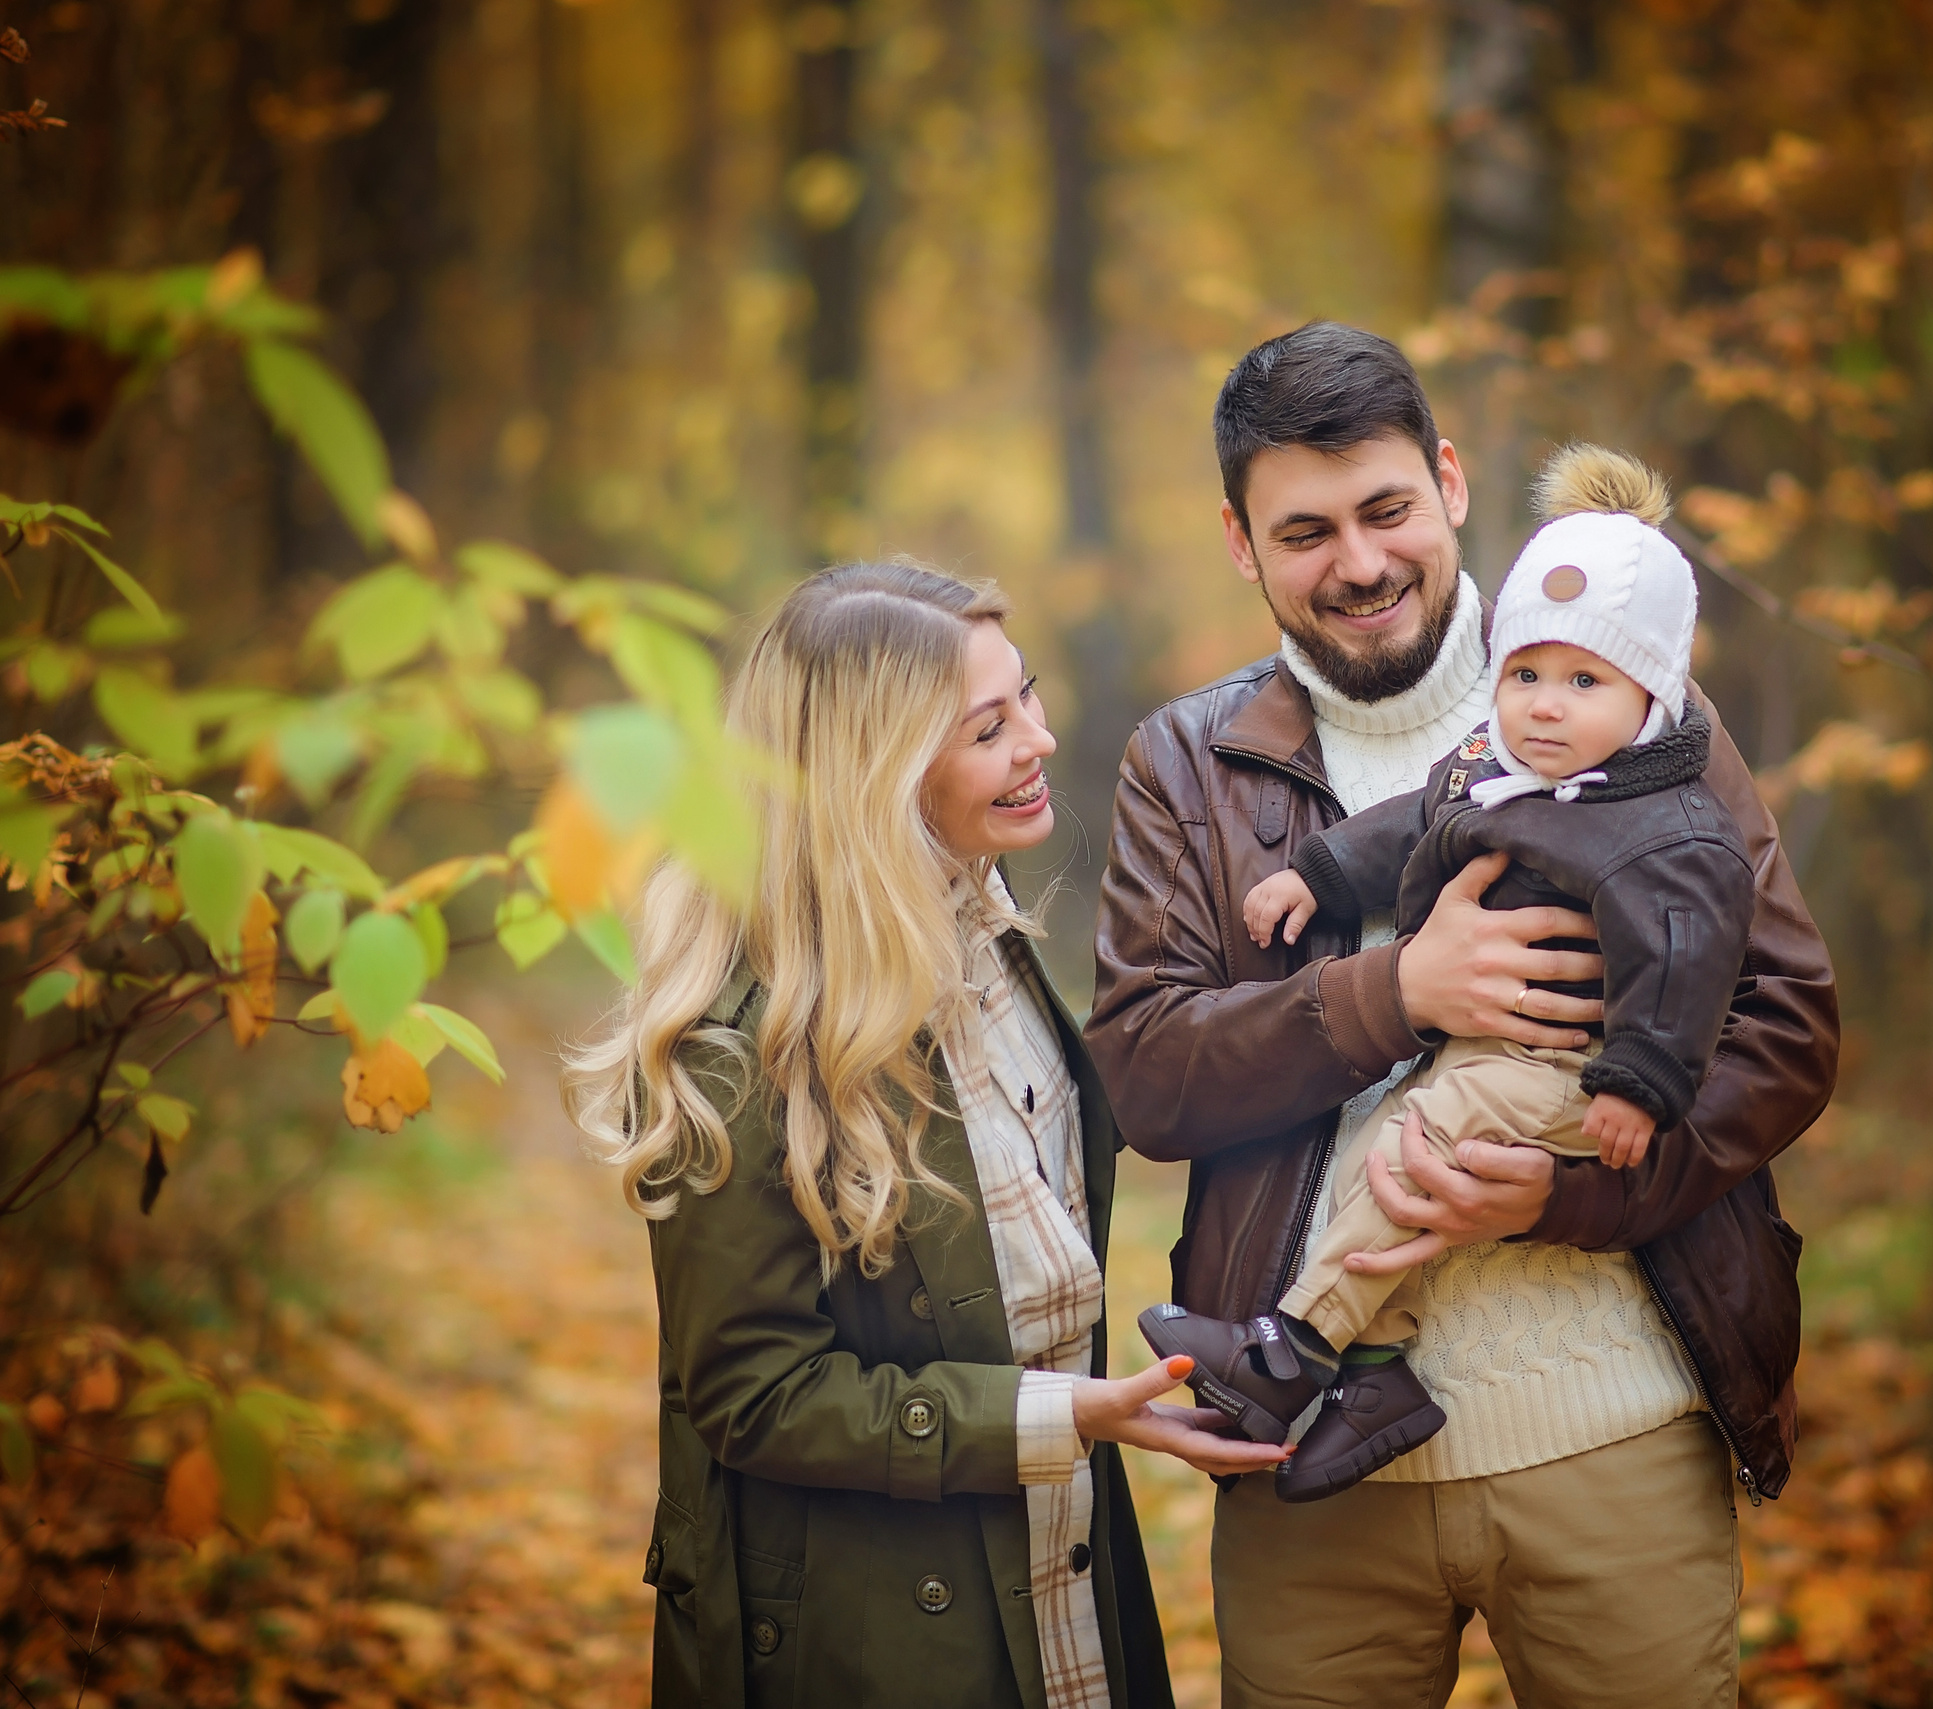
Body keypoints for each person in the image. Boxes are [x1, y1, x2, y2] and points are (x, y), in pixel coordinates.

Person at [1085, 323, 1841, 1708]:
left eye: (1385, 509)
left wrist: (1566, 1192)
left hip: (1613, 1428)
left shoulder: (1643, 713)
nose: (1361, 563)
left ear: (1448, 482)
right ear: (1242, 545)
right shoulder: (1187, 766)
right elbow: (1143, 1075)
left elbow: (1786, 1025)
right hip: (1306, 1456)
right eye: (1304, 530)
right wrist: (1394, 992)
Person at [572, 563, 1286, 1709]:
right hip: (881, 1639)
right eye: (987, 727)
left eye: (1029, 699)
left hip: (1064, 1579)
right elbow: (753, 1393)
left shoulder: (991, 942)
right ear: (878, 772)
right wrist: (1060, 1413)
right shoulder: (741, 1043)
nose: (1039, 741)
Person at [1140, 444, 1759, 1505]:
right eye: (1524, 675)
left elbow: (1687, 958)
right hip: (1486, 1054)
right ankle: (1376, 1373)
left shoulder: (1669, 827)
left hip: (1577, 1071)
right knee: (1379, 1158)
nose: (1544, 706)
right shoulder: (1503, 767)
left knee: (1421, 1139)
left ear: (1651, 697)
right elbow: (1415, 818)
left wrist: (1640, 1085)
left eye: (1582, 682)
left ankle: (1288, 1350)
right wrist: (1315, 878)